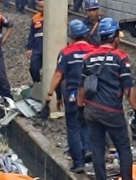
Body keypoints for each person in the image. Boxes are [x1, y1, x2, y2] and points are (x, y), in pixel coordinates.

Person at [78, 18, 136, 180]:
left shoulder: (88, 57)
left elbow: (81, 87)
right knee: (124, 147)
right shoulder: (120, 57)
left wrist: (80, 109)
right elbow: (128, 88)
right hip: (112, 111)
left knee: (97, 147)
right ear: (115, 37)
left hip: (91, 110)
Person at [45, 20, 95, 173]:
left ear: (71, 36)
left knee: (73, 127)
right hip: (90, 95)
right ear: (85, 34)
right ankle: (88, 149)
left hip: (73, 95)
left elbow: (59, 74)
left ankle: (78, 163)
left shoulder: (66, 52)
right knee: (86, 123)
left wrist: (50, 94)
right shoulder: (94, 50)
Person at [25, 1, 45, 84]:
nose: (40, 9)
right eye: (39, 7)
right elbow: (32, 34)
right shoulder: (35, 18)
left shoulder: (53, 16)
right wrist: (29, 48)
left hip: (49, 47)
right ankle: (38, 84)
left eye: (42, 7)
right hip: (37, 47)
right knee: (33, 67)